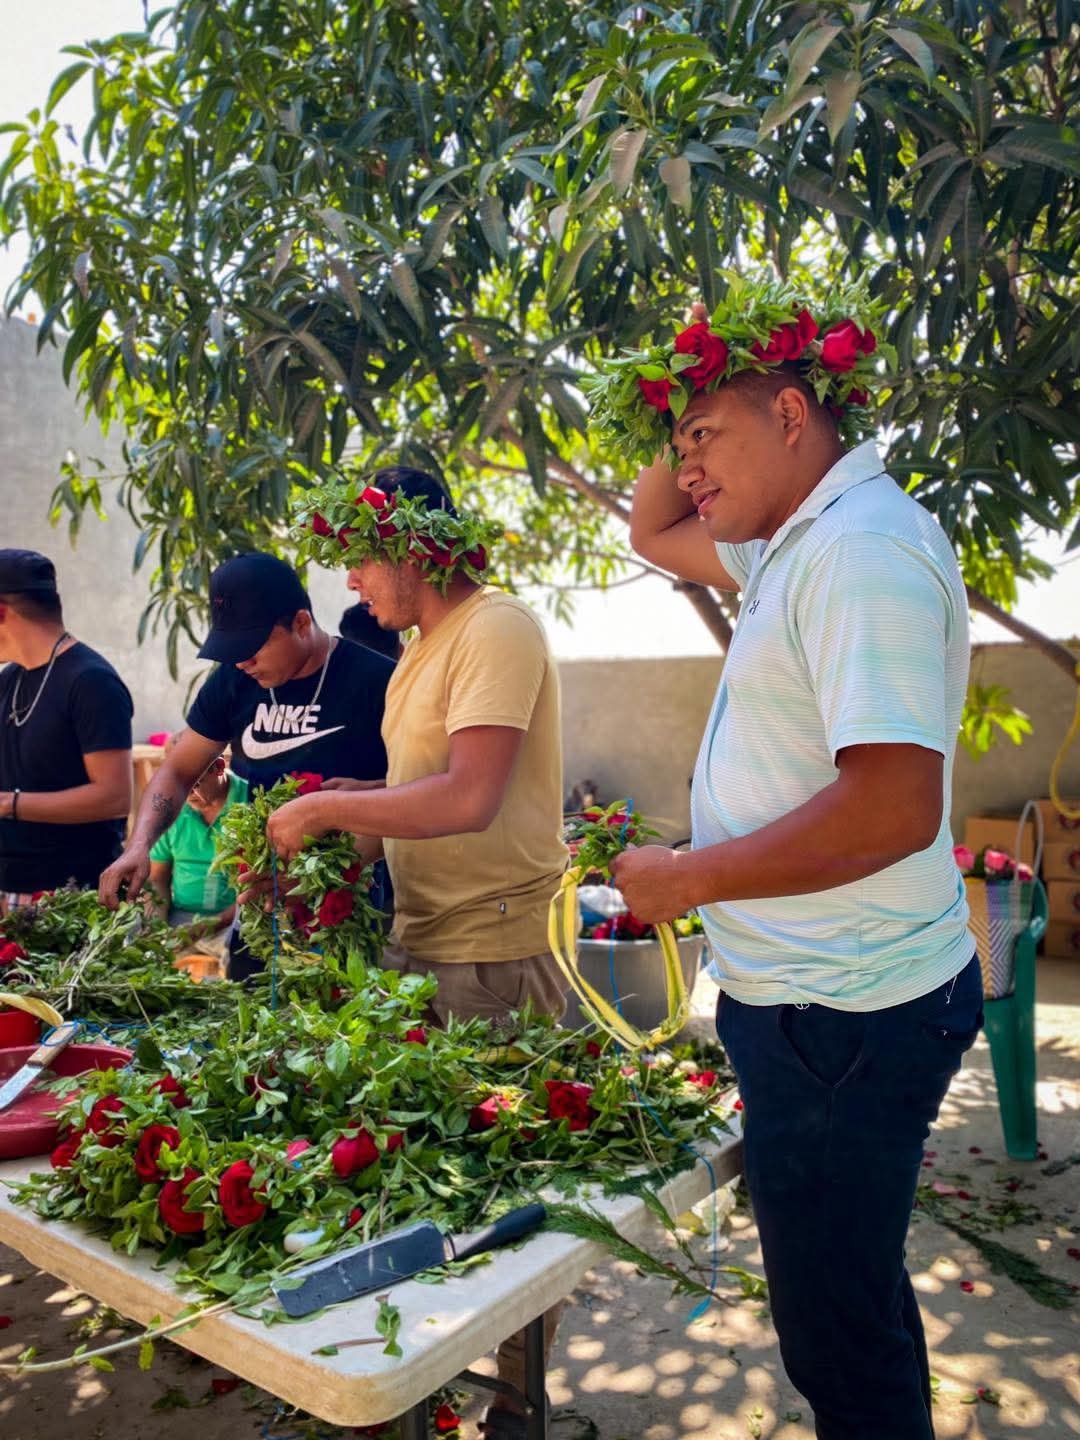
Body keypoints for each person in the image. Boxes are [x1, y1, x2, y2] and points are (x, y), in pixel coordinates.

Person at [589, 280, 979, 1440]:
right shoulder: (795, 548)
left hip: (846, 1016)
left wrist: (692, 878)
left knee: (836, 1331)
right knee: (845, 1299)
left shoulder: (859, 553)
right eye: (680, 444)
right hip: (815, 1003)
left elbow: (896, 808)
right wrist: (688, 394)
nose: (687, 469)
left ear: (797, 414)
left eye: (704, 438)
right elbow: (648, 531)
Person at [268, 466, 568, 1435]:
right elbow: (408, 804)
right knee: (423, 1186)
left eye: (359, 558)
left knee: (508, 1195)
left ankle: (517, 1398)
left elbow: (469, 795)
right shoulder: (418, 654)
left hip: (495, 954)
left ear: (411, 545)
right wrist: (319, 848)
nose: (353, 582)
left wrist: (325, 805)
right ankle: (428, 1379)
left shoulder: (498, 628)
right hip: (420, 949)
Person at [100, 553, 394, 978]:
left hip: (353, 909)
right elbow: (178, 770)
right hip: (258, 907)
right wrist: (140, 844)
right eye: (232, 650)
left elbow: (421, 787)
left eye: (252, 647)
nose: (242, 662)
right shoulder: (233, 681)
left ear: (301, 623)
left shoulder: (379, 682)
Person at [0, 548, 133, 907]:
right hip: (10, 887)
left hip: (72, 897)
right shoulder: (9, 679)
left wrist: (10, 805)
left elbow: (115, 797)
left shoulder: (91, 681)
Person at [148, 746, 248, 955]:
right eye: (178, 784)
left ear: (219, 768)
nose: (186, 794)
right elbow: (157, 879)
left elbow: (256, 892)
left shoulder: (249, 800)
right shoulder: (170, 805)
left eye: (194, 783)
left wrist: (206, 927)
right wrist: (155, 927)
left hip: (237, 922)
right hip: (181, 920)